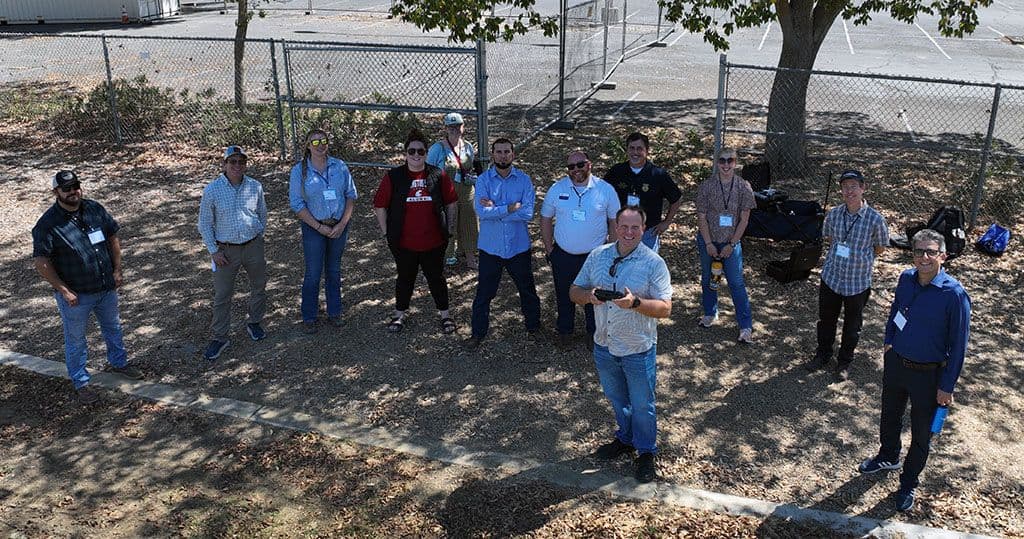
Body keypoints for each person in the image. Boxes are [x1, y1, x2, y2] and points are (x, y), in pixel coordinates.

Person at [858, 229, 971, 512]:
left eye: (931, 252)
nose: (924, 257)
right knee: (889, 416)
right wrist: (888, 343)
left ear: (943, 256)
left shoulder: (954, 294)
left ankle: (908, 482)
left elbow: (959, 345)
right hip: (897, 364)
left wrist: (947, 386)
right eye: (919, 251)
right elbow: (895, 311)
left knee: (922, 434)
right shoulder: (906, 278)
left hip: (929, 375)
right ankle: (888, 455)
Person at [569, 206, 673, 483]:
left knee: (642, 405)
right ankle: (625, 439)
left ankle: (646, 452)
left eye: (635, 228)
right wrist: (589, 296)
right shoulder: (597, 256)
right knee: (617, 399)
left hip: (637, 348)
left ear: (643, 228)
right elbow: (573, 292)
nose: (628, 233)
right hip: (604, 344)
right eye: (624, 227)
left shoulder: (654, 263)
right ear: (616, 227)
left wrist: (636, 303)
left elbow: (665, 309)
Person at [32, 170, 143, 404]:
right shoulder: (48, 224)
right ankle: (81, 382)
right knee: (76, 339)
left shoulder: (94, 209)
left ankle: (119, 363)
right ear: (56, 192)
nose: (73, 192)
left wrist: (117, 269)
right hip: (76, 296)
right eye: (67, 188)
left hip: (105, 288)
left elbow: (112, 237)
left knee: (113, 327)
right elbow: (41, 262)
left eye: (76, 186)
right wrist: (63, 290)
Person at [804, 169, 889, 381]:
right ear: (841, 190)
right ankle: (823, 354)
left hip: (857, 282)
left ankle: (844, 362)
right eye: (845, 187)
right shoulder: (833, 214)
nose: (849, 191)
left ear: (863, 188)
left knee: (852, 326)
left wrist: (859, 258)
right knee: (826, 321)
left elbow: (880, 248)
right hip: (831, 278)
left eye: (854, 186)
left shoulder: (875, 220)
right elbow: (831, 240)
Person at [373, 128, 459, 334]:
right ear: (405, 153)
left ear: (426, 153)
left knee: (437, 278)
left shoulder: (437, 175)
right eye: (412, 151)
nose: (416, 155)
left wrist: (450, 229)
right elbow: (379, 206)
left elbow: (451, 203)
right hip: (404, 243)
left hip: (434, 242)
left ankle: (445, 315)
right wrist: (387, 233)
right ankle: (399, 314)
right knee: (404, 278)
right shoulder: (393, 177)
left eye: (421, 151)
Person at [466, 137, 541, 349]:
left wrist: (495, 209)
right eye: (498, 152)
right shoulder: (483, 181)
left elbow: (527, 213)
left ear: (513, 154)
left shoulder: (524, 180)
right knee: (484, 294)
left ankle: (534, 327)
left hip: (518, 247)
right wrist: (509, 208)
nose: (503, 155)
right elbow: (481, 211)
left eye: (507, 151)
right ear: (492, 155)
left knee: (527, 290)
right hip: (491, 248)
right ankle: (478, 333)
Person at [541, 150, 620, 349]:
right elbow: (545, 218)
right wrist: (550, 248)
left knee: (595, 296)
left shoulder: (605, 190)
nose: (576, 169)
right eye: (571, 166)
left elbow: (614, 221)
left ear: (589, 165)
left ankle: (594, 334)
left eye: (580, 164)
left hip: (595, 256)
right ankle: (565, 332)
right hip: (563, 255)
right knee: (564, 294)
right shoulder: (557, 189)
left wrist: (612, 250)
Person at [197, 145, 269, 361]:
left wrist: (258, 237)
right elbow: (204, 223)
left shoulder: (255, 187)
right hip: (225, 251)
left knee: (258, 286)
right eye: (233, 162)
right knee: (222, 294)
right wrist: (213, 250)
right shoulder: (212, 190)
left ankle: (254, 322)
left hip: (253, 245)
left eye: (241, 162)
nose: (237, 166)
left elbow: (262, 214)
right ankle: (220, 336)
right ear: (225, 165)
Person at [288, 128, 358, 334]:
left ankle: (334, 312)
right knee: (313, 272)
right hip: (314, 227)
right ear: (308, 146)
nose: (320, 146)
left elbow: (350, 195)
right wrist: (319, 227)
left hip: (338, 225)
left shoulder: (340, 166)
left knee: (334, 270)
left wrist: (341, 225)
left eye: (324, 141)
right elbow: (297, 204)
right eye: (315, 142)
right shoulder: (299, 171)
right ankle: (309, 315)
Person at [695, 147, 756, 343]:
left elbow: (744, 219)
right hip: (709, 241)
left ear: (735, 163)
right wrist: (708, 243)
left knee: (736, 283)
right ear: (716, 163)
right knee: (709, 278)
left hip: (731, 242)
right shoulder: (706, 186)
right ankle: (710, 312)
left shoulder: (744, 187)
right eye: (722, 161)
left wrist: (732, 243)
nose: (726, 165)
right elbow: (701, 217)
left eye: (730, 160)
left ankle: (745, 325)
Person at [606, 132, 682, 252]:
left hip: (647, 234)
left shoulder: (658, 174)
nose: (635, 152)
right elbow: (603, 196)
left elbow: (676, 199)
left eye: (639, 149)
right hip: (621, 231)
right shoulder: (616, 171)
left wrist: (666, 222)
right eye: (632, 148)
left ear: (647, 150)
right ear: (626, 150)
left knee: (646, 269)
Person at [427, 112, 479, 270]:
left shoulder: (468, 146)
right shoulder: (438, 148)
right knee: (449, 224)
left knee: (469, 223)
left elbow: (473, 167)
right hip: (446, 193)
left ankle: (470, 256)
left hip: (467, 191)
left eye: (458, 126)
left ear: (463, 127)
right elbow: (428, 172)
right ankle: (448, 255)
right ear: (446, 128)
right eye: (451, 126)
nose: (455, 129)